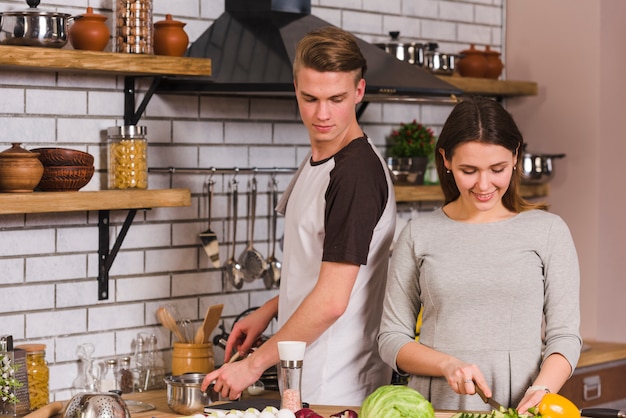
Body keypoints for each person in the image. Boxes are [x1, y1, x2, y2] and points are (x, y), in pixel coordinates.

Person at [201, 26, 396, 406]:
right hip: (307, 377)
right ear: (295, 89)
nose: (322, 114)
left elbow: (332, 301)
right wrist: (270, 310)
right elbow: (321, 270)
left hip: (338, 387)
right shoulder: (320, 161)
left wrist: (253, 366)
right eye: (310, 98)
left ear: (359, 91)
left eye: (336, 98)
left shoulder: (354, 173)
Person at [377, 96, 581, 413]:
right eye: (469, 170)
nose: (484, 184)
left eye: (497, 169)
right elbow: (391, 338)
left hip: (519, 406)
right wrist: (446, 364)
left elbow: (565, 336)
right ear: (445, 160)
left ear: (515, 156)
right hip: (437, 407)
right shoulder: (418, 234)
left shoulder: (548, 231)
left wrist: (542, 389)